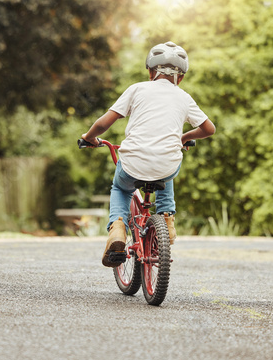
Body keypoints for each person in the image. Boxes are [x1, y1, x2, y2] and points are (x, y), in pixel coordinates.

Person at [81, 41, 216, 267]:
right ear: (180, 78)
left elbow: (105, 123)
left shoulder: (137, 89)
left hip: (133, 161)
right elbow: (209, 129)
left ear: (150, 71)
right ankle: (166, 217)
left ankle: (117, 227)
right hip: (166, 164)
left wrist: (89, 137)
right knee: (167, 168)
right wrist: (182, 139)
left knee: (121, 187)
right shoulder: (184, 97)